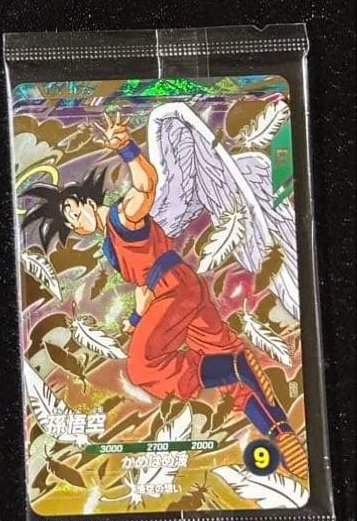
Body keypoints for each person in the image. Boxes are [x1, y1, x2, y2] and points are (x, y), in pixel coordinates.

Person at [22, 111, 307, 478]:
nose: (76, 223)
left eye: (74, 211)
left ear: (87, 201)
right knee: (231, 382)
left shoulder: (122, 217)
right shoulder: (111, 242)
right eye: (70, 222)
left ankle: (238, 368)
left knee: (142, 366)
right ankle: (281, 435)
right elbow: (143, 286)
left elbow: (146, 186)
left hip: (175, 291)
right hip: (178, 292)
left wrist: (127, 147)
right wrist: (137, 318)